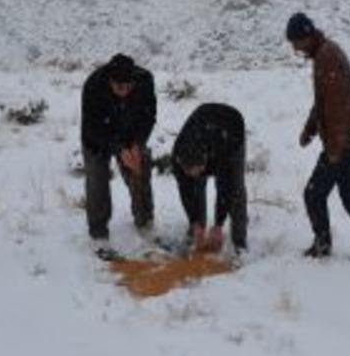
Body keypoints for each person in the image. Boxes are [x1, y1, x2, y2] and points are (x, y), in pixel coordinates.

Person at [285, 12, 350, 263]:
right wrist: (310, 129)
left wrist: (334, 149)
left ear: (306, 36)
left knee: (314, 194)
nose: (296, 50)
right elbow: (323, 102)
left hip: (343, 141)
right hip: (348, 138)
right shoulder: (325, 53)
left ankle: (323, 244)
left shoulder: (327, 57)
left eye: (296, 43)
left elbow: (337, 107)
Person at [81, 53, 156, 256]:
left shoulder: (145, 81)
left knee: (140, 170)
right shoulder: (93, 85)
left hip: (130, 132)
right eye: (118, 87)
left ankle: (144, 221)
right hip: (98, 137)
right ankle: (98, 233)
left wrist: (137, 144)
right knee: (97, 181)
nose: (124, 92)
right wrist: (117, 148)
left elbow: (149, 116)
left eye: (128, 87)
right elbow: (92, 127)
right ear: (110, 81)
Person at [172, 103, 248, 255]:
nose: (195, 174)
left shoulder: (223, 151)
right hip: (203, 123)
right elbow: (186, 191)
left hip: (231, 128)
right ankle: (197, 228)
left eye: (198, 170)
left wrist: (219, 223)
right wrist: (194, 221)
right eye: (190, 172)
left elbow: (227, 186)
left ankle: (239, 241)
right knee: (195, 186)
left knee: (236, 188)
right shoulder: (177, 156)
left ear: (205, 160)